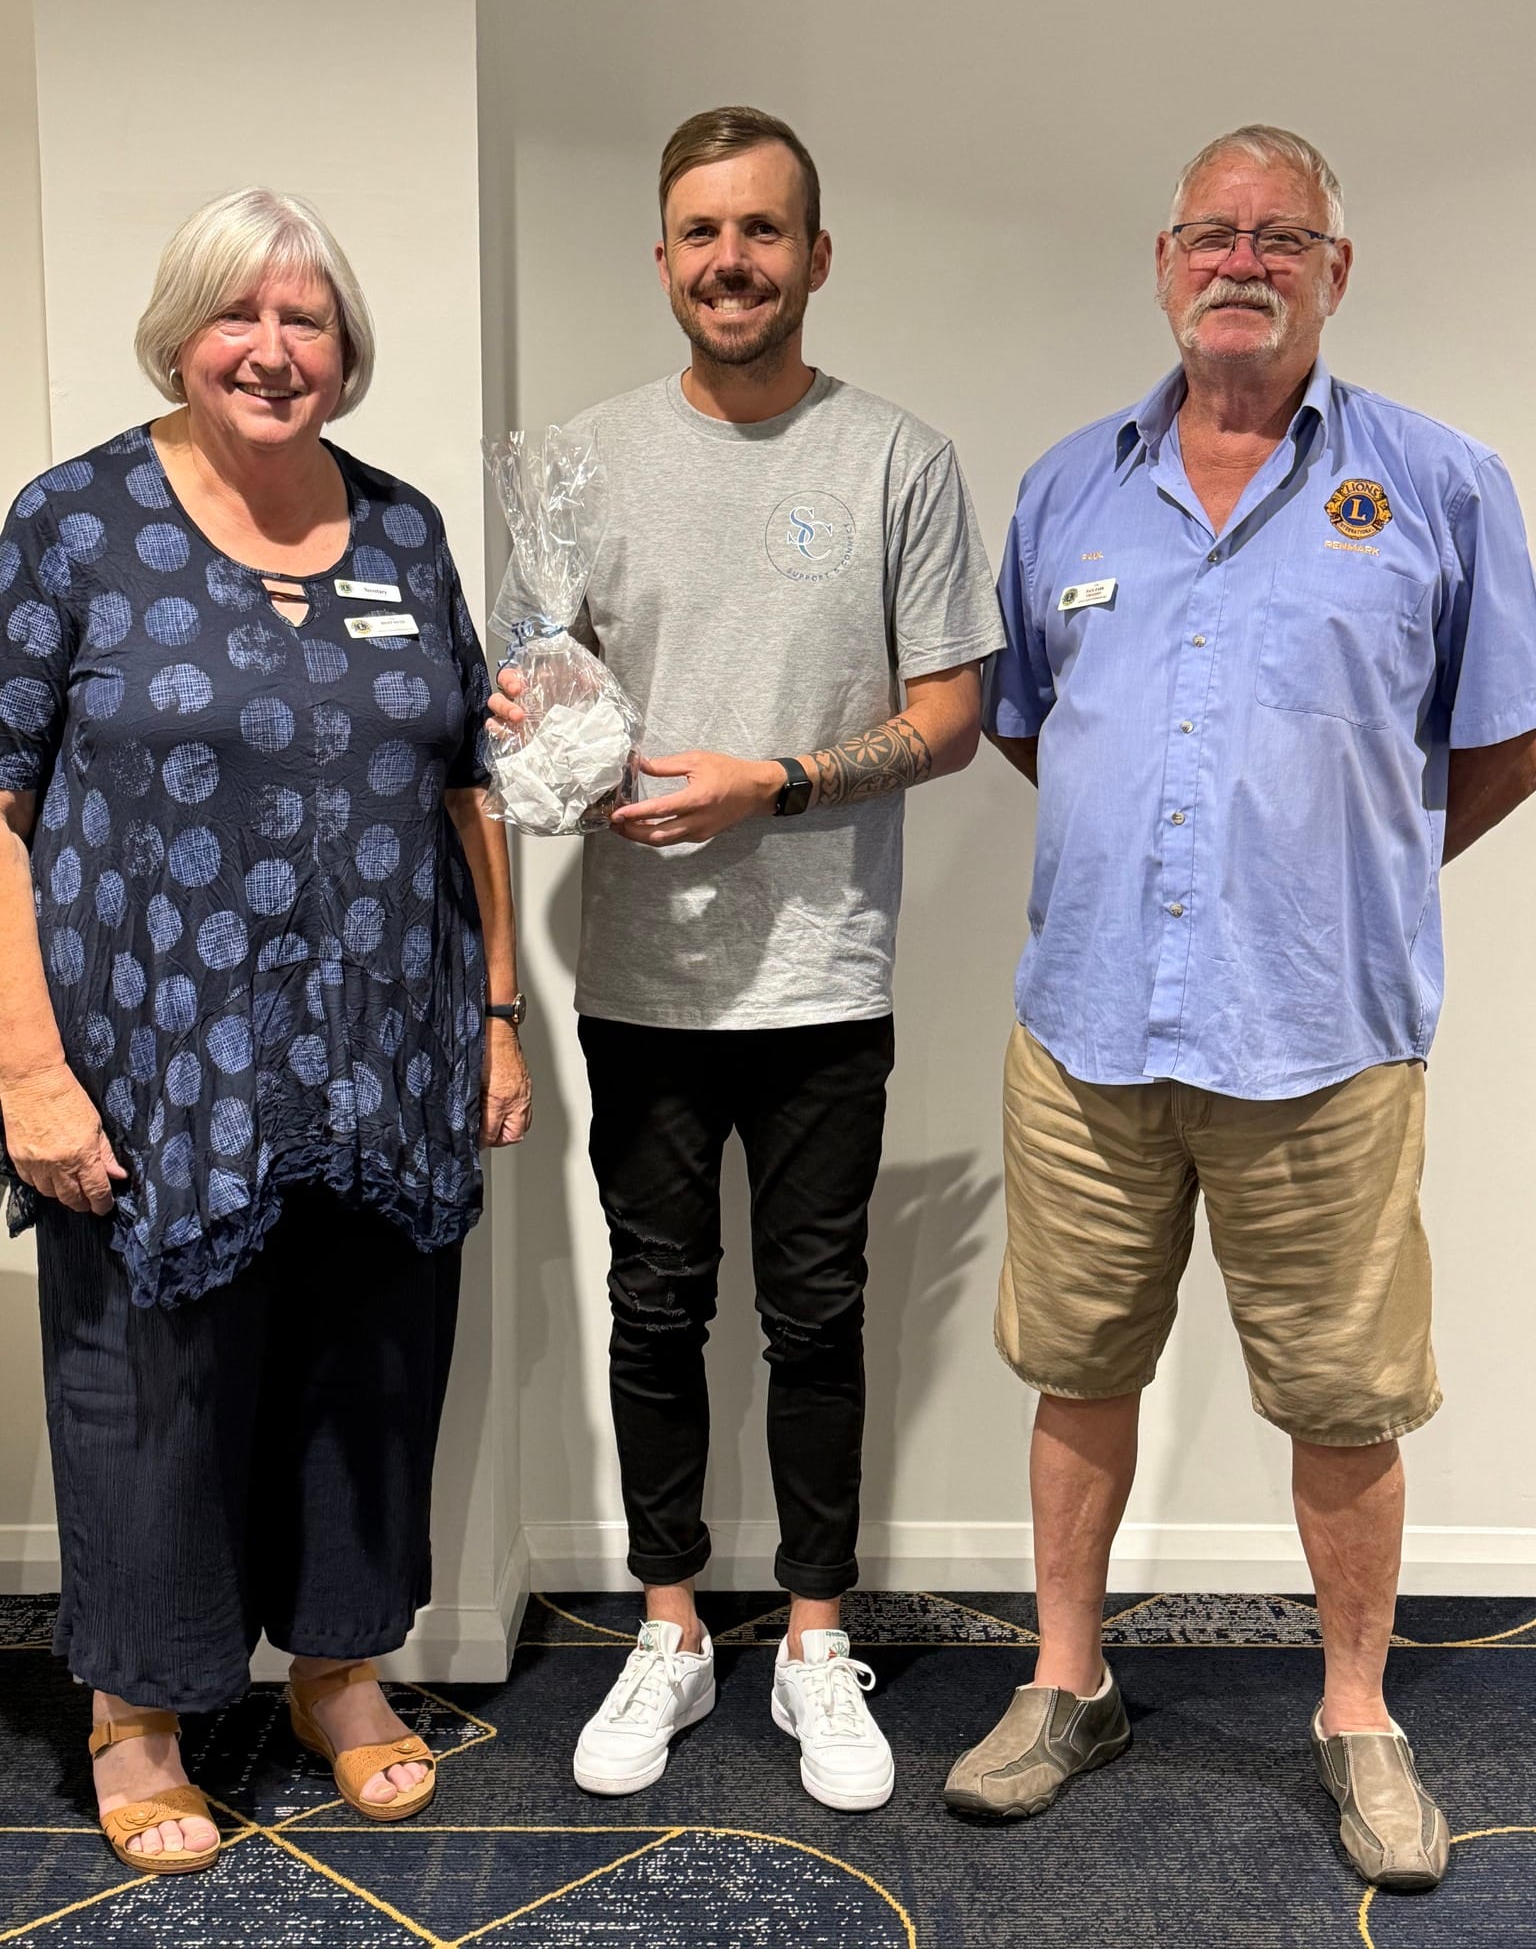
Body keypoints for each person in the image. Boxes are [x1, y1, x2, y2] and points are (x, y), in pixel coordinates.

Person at [943, 125, 1536, 1890]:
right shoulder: (1067, 490)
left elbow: (1502, 739)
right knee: (1077, 1367)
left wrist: (1338, 862)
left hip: (1325, 1032)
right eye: (1214, 232)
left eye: (1284, 237)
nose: (1244, 260)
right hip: (1090, 1027)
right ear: (1164, 259)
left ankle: (1358, 1713)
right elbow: (1034, 721)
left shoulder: (1439, 485)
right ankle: (1069, 1683)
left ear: (1335, 272)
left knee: (1345, 1396)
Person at [0, 188, 530, 1874]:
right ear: (181, 331)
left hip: (389, 1046)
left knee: (369, 1369)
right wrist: (24, 1066)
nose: (274, 350)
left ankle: (338, 1670)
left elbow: (472, 791)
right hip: (151, 1058)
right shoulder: (74, 523)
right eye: (242, 316)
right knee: (149, 1385)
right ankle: (139, 1711)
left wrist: (500, 1020)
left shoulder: (404, 531)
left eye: (308, 323)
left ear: (348, 353)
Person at [491, 105, 1002, 1811]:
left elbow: (950, 716)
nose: (732, 261)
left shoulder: (895, 462)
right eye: (703, 233)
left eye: (764, 232)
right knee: (654, 1309)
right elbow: (542, 706)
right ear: (662, 258)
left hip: (823, 981)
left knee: (818, 1319)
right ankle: (668, 1626)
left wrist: (773, 781)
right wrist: (540, 735)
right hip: (637, 978)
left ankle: (807, 1638)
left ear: (815, 254)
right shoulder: (579, 464)